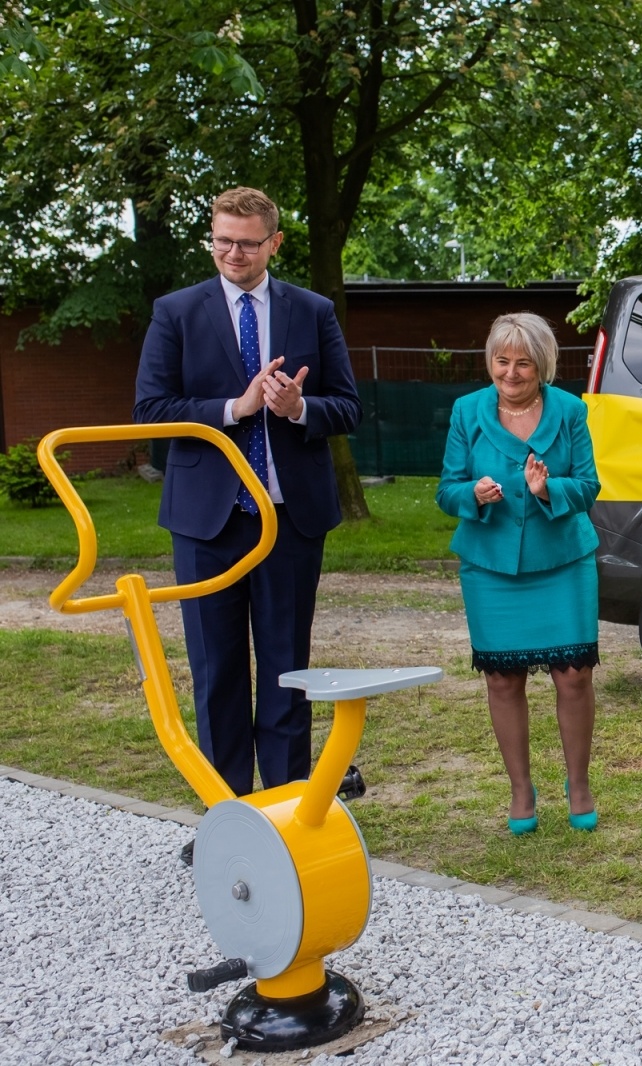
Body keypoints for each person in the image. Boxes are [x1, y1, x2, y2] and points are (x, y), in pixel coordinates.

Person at [134, 187, 361, 820]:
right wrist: (239, 407)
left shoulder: (312, 310)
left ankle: (287, 815)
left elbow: (348, 405)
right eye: (222, 240)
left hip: (289, 519)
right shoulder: (176, 311)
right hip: (208, 522)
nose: (233, 253)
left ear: (274, 243)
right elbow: (150, 410)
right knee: (217, 674)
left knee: (288, 671)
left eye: (247, 242)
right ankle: (228, 823)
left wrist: (299, 409)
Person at [436, 313, 601, 834]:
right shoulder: (467, 411)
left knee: (573, 677)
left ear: (543, 365)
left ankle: (578, 784)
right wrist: (474, 495)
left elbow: (590, 484)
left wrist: (549, 490)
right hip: (491, 566)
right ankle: (520, 790)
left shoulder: (572, 411)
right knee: (503, 679)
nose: (509, 373)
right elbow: (447, 489)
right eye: (501, 361)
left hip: (563, 562)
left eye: (522, 363)